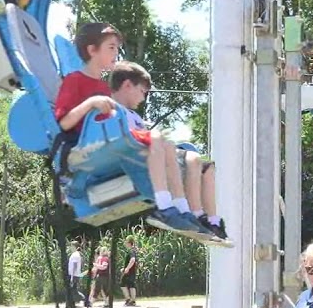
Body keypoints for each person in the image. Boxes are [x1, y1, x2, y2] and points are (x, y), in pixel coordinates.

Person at [52, 23, 222, 243]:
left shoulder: (105, 89)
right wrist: (92, 103)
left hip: (111, 140)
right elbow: (64, 123)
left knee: (186, 155)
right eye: (111, 47)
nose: (116, 53)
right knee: (159, 140)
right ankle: (166, 207)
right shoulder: (75, 80)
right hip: (88, 145)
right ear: (92, 50)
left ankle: (192, 214)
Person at [109, 61, 226, 240]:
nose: (142, 98)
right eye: (142, 92)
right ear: (127, 85)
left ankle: (210, 220)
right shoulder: (113, 110)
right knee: (188, 158)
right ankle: (189, 212)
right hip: (138, 158)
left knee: (203, 165)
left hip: (152, 152)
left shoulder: (133, 115)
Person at [65, 241, 89, 308]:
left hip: (74, 275)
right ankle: (68, 306)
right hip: (73, 274)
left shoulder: (75, 255)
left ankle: (85, 300)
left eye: (71, 246)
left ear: (75, 247)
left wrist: (72, 276)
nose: (70, 247)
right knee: (72, 291)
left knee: (72, 291)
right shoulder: (75, 254)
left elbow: (75, 266)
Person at [121, 237, 141, 306]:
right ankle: (132, 300)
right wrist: (125, 268)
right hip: (132, 271)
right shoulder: (133, 250)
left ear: (129, 243)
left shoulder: (131, 251)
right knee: (131, 285)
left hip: (129, 271)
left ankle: (129, 299)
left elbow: (132, 260)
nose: (125, 243)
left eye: (126, 242)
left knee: (122, 283)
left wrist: (127, 268)